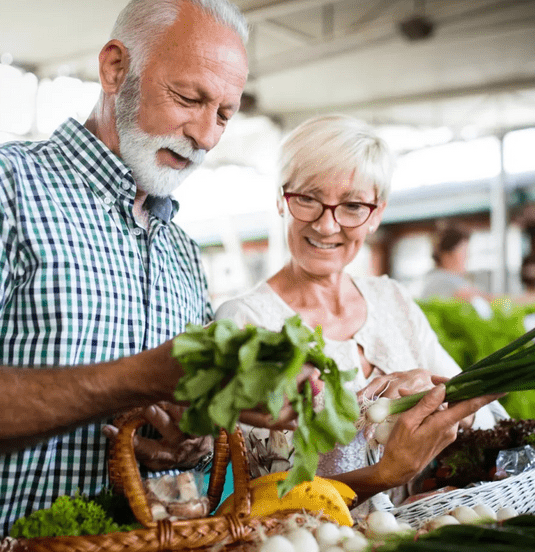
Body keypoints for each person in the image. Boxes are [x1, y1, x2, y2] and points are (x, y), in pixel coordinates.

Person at [0, 2, 296, 552]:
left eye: (225, 114)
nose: (205, 135)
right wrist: (142, 377)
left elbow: (183, 440)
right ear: (114, 67)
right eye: (188, 98)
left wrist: (185, 442)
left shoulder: (181, 250)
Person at [215, 115, 505, 514]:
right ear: (282, 199)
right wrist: (384, 476)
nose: (327, 223)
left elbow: (489, 417)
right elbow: (257, 496)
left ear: (376, 214)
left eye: (352, 206)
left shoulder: (392, 301)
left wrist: (439, 398)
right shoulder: (245, 321)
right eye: (308, 198)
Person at [421, 225, 535, 312]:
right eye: (463, 253)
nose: (467, 258)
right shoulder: (441, 281)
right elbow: (490, 301)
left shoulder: (447, 280)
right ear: (447, 256)